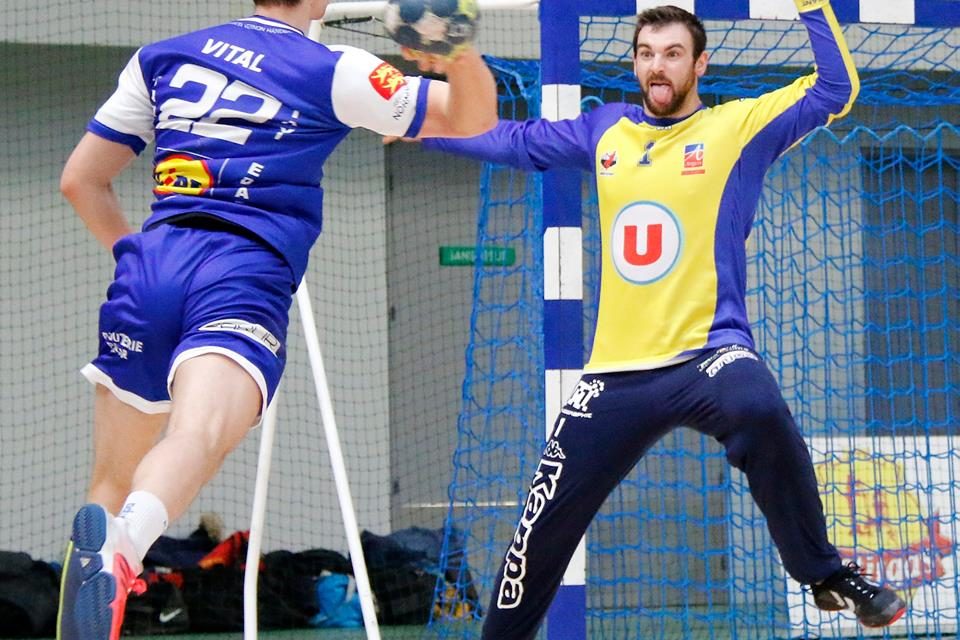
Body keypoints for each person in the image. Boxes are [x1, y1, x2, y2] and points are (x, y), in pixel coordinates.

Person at [405, 1, 907, 637]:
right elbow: (515, 141)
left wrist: (810, 6)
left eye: (672, 54)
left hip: (708, 354)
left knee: (757, 406)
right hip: (616, 374)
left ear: (699, 63)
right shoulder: (607, 130)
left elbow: (836, 87)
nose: (657, 67)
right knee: (540, 526)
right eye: (646, 54)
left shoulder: (738, 127)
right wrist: (429, 128)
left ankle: (825, 574)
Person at [55, 1, 497, 638]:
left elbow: (80, 181)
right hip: (239, 273)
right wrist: (457, 49)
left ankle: (107, 553)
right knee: (197, 435)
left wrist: (133, 255)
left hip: (149, 269)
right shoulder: (333, 69)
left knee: (110, 479)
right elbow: (471, 118)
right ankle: (124, 550)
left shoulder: (160, 57)